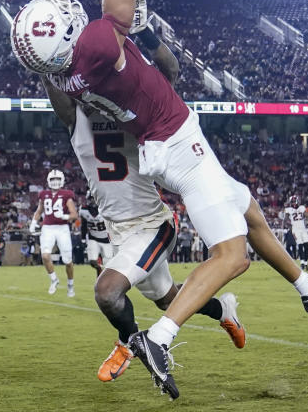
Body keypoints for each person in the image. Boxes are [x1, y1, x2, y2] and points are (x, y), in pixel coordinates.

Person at [4, 0, 308, 398]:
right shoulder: (99, 44)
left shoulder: (67, 76)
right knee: (232, 256)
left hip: (159, 145)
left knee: (245, 207)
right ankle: (161, 338)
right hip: (175, 141)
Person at [40, 80, 245, 383]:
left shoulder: (131, 115)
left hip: (152, 225)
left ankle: (127, 343)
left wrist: (146, 35)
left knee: (107, 292)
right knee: (168, 300)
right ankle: (223, 310)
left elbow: (170, 73)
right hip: (121, 232)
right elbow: (59, 90)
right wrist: (44, 64)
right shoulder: (76, 119)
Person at [30, 169, 79, 296]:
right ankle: (54, 279)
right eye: (53, 179)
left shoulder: (66, 194)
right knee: (45, 256)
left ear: (62, 180)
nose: (55, 182)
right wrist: (33, 223)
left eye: (57, 179)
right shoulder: (43, 194)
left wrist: (64, 216)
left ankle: (70, 284)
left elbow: (74, 214)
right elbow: (39, 210)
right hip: (47, 227)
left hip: (62, 228)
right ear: (48, 181)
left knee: (67, 261)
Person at [80, 197, 112, 276]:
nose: (92, 201)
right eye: (91, 199)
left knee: (109, 264)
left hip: (107, 240)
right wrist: (83, 239)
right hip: (93, 238)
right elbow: (83, 225)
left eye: (94, 198)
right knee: (92, 260)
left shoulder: (106, 209)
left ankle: (103, 279)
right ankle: (98, 268)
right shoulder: (84, 210)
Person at [282, 195, 308, 271]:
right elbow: (285, 220)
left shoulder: (302, 208)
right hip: (296, 229)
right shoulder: (288, 209)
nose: (293, 203)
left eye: (294, 201)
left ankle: (306, 263)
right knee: (300, 246)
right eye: (292, 202)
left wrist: (304, 212)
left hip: (303, 228)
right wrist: (291, 227)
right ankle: (302, 263)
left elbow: (307, 216)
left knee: (306, 245)